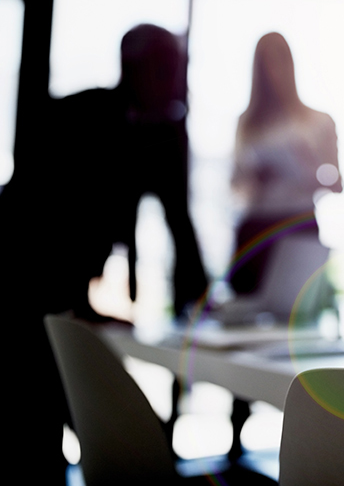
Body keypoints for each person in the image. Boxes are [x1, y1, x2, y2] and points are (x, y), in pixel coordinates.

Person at [0, 24, 208, 484]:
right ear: (136, 69)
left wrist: (201, 303)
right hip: (15, 281)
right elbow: (33, 216)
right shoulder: (75, 115)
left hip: (60, 294)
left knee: (77, 412)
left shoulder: (165, 131)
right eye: (170, 69)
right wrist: (74, 302)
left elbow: (179, 218)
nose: (180, 82)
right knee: (32, 424)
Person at [229, 32, 342, 294]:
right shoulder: (247, 124)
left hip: (299, 222)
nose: (273, 69)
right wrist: (254, 179)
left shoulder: (318, 121)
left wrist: (308, 165)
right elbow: (234, 184)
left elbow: (337, 184)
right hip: (256, 225)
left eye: (278, 59)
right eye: (265, 61)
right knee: (247, 306)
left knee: (297, 309)